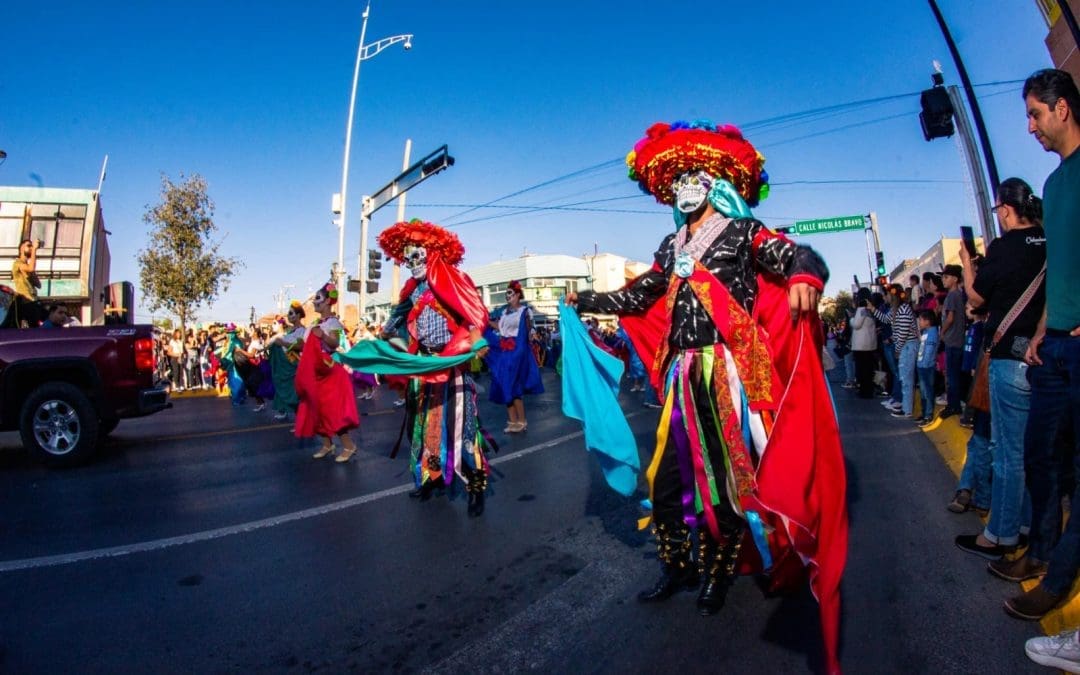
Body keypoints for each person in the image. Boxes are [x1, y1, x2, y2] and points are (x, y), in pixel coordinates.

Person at [566, 120, 845, 673]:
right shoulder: (671, 246)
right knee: (667, 477)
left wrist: (805, 277)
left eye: (694, 177)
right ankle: (676, 567)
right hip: (679, 375)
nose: (684, 188)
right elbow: (640, 292)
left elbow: (797, 256)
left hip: (725, 373)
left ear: (713, 181)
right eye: (677, 182)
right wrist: (586, 297)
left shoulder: (744, 235)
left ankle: (718, 573)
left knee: (724, 478)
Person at [996, 69, 1080, 625]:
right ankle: (1042, 548)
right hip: (1056, 349)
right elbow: (1061, 267)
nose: (1029, 127)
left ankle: (1056, 577)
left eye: (1034, 114)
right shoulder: (1053, 185)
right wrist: (1048, 326)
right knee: (1041, 458)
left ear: (1063, 108)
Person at [339, 219, 493, 515]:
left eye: (417, 255)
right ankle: (432, 479)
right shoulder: (412, 290)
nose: (412, 262)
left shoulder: (452, 281)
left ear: (432, 253)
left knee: (463, 430)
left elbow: (472, 316)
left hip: (452, 366)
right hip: (423, 368)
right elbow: (396, 317)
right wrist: (381, 339)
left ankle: (476, 488)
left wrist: (476, 342)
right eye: (407, 257)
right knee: (424, 430)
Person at [954, 176, 1046, 562]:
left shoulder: (1004, 246)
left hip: (1008, 356)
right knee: (1030, 451)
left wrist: (966, 265)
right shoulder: (1047, 240)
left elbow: (976, 297)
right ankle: (1025, 524)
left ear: (1006, 210)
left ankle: (999, 536)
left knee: (1007, 453)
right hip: (1040, 355)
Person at [293, 283, 360, 462]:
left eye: (318, 298)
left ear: (328, 301)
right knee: (316, 408)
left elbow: (335, 343)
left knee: (333, 411)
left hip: (330, 371)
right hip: (316, 372)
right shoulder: (314, 324)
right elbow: (303, 344)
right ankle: (327, 444)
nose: (315, 302)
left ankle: (349, 446)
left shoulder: (334, 323)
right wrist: (287, 344)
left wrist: (321, 335)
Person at [485, 279, 544, 432]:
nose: (507, 296)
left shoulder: (524, 311)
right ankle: (512, 421)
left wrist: (532, 337)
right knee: (505, 384)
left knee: (514, 385)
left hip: (517, 351)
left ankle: (522, 420)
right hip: (504, 351)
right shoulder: (504, 312)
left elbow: (530, 329)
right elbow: (499, 327)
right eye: (506, 294)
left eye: (510, 293)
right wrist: (484, 319)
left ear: (518, 295)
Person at [267, 301, 306, 421]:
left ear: (298, 315)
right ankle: (299, 422)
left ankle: (303, 422)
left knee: (296, 394)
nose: (289, 316)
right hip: (285, 366)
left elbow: (301, 346)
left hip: (294, 366)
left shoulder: (302, 330)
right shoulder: (289, 331)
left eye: (291, 313)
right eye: (288, 314)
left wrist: (282, 343)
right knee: (290, 392)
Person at [940, 264, 967, 419]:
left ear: (955, 279)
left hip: (953, 341)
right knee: (954, 375)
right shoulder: (958, 294)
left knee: (952, 376)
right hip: (957, 340)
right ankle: (954, 404)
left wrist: (942, 332)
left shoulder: (952, 295)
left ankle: (953, 406)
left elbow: (950, 318)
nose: (944, 280)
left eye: (947, 277)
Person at [850, 288, 878, 399]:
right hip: (870, 343)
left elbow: (857, 324)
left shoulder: (861, 309)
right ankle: (869, 390)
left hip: (861, 344)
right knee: (869, 369)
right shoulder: (871, 309)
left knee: (862, 369)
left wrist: (851, 319)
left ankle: (864, 391)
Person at [915, 309, 940, 425]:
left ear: (928, 321)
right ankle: (924, 412)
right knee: (923, 390)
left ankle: (928, 414)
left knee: (928, 391)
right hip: (922, 365)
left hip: (927, 366)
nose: (919, 322)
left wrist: (924, 364)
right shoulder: (926, 332)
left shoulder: (932, 333)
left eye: (921, 320)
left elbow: (929, 351)